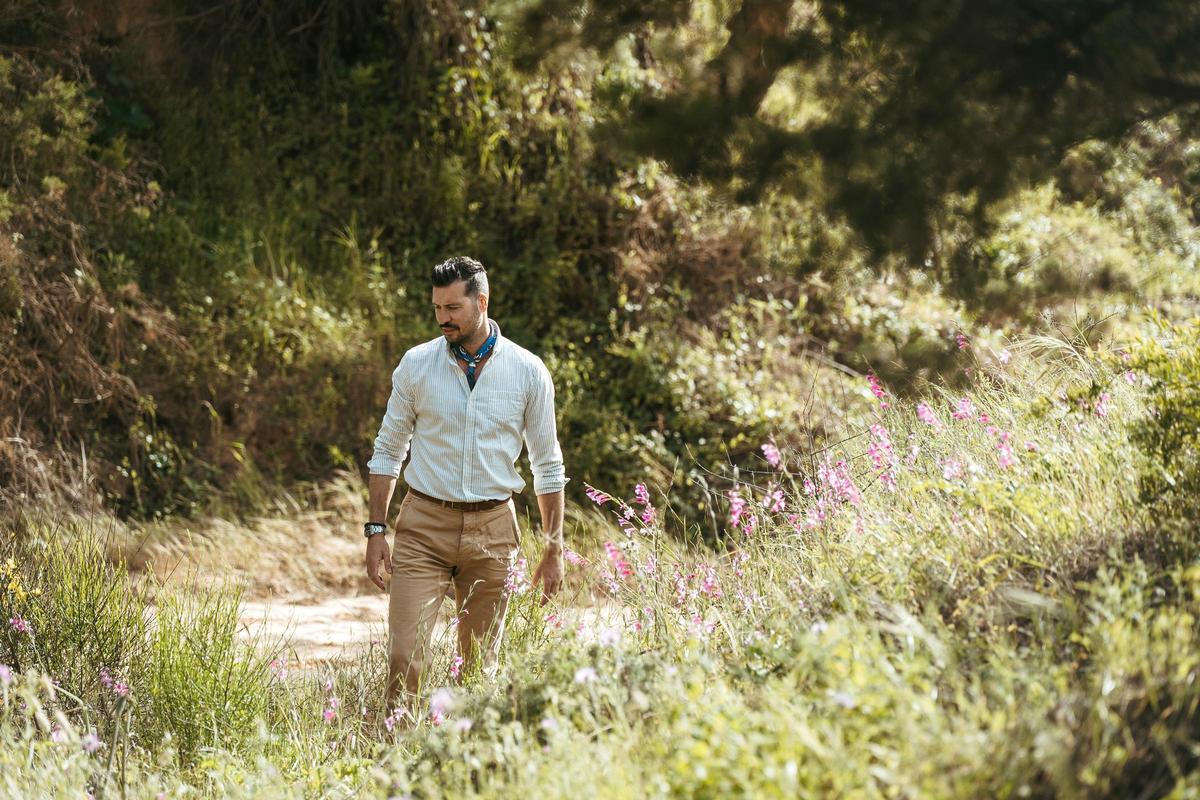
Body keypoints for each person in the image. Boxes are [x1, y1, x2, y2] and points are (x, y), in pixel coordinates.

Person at [364, 255, 568, 715]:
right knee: (404, 661)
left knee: (479, 669)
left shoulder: (528, 371)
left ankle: (469, 769)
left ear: (482, 301)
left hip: (494, 532)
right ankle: (398, 766)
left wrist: (553, 550)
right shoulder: (416, 365)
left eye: (453, 308)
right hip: (423, 529)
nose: (442, 319)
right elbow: (388, 449)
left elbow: (548, 465)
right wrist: (376, 530)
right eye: (437, 308)